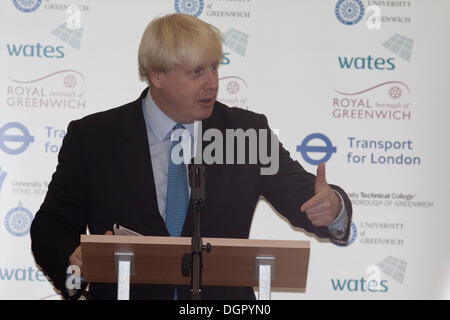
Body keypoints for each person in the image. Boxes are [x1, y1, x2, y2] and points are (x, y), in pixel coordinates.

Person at [30, 13, 352, 300]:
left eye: (214, 67)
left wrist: (333, 207)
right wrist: (72, 264)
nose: (212, 83)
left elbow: (303, 195)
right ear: (157, 76)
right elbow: (51, 226)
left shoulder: (246, 133)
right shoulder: (94, 138)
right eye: (196, 72)